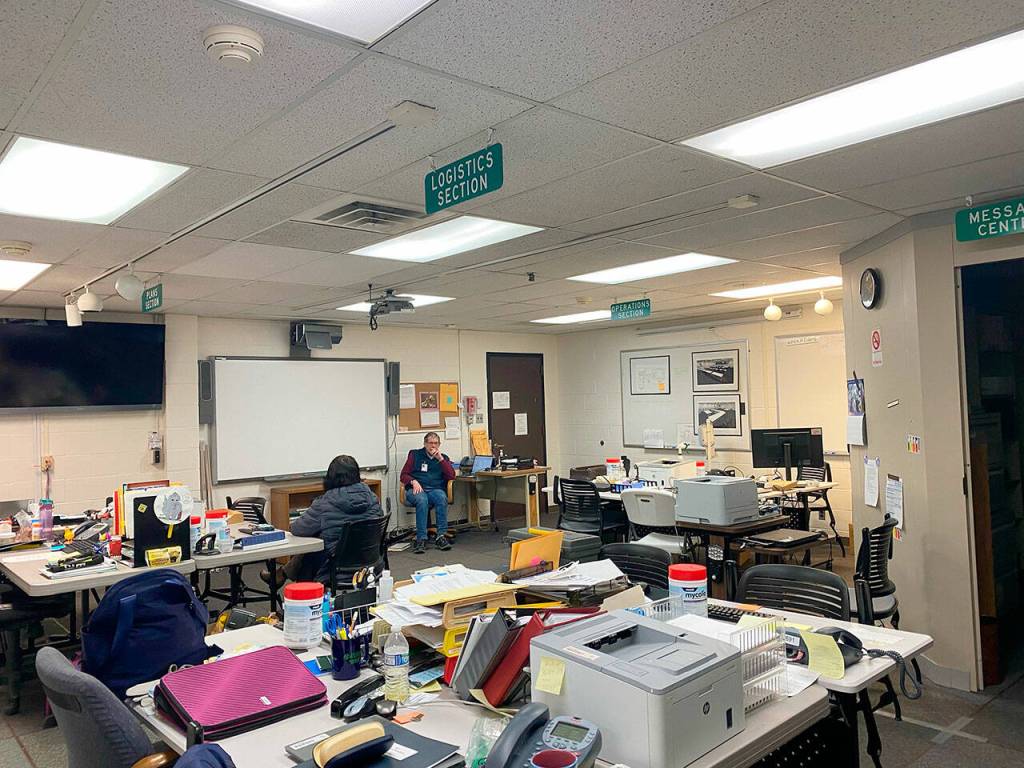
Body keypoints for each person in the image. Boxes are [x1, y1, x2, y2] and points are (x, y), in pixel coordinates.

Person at [287, 455, 383, 583]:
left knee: (309, 553)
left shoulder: (324, 503)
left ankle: (295, 585)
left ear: (330, 478)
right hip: (371, 564)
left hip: (335, 569)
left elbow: (297, 529)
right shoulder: (373, 499)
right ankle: (282, 573)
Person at [401, 432, 456, 554]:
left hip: (434, 489)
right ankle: (421, 538)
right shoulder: (415, 455)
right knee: (422, 499)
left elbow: (451, 476)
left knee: (441, 497)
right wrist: (413, 481)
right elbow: (403, 475)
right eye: (430, 443)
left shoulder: (443, 458)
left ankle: (441, 536)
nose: (433, 446)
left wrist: (441, 460)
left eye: (436, 443)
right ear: (425, 444)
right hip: (416, 489)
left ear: (439, 444)